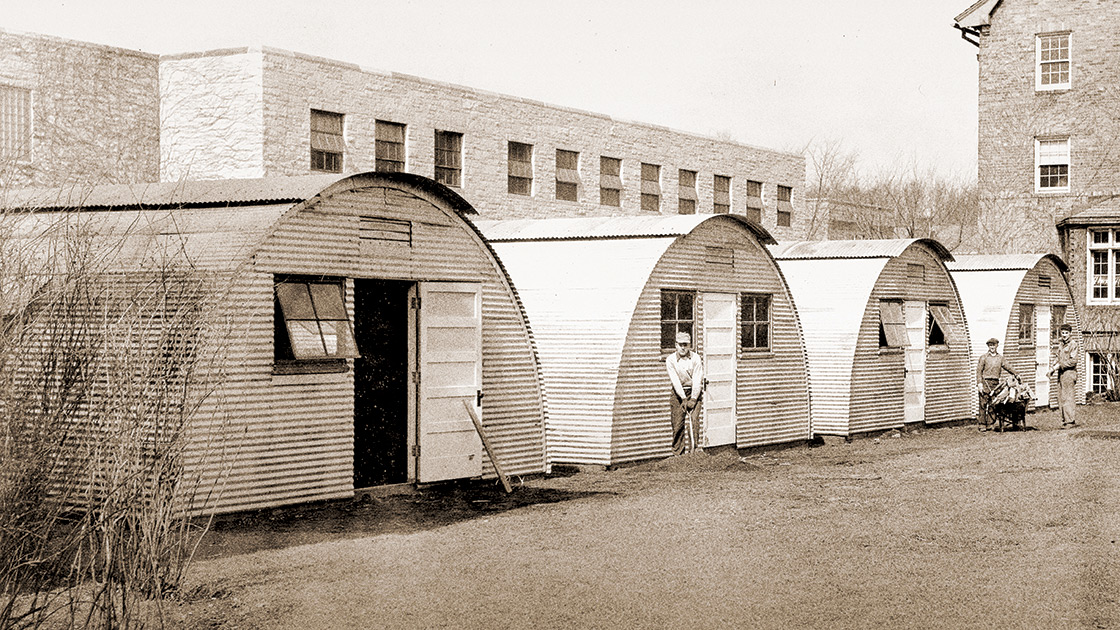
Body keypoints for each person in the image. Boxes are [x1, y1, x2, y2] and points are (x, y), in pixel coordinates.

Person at [666, 331, 704, 455]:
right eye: (680, 344)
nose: (683, 348)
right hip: (678, 394)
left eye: (685, 345)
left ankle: (694, 452)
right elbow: (675, 381)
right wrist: (683, 398)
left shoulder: (695, 358)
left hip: (694, 392)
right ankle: (678, 454)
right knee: (678, 424)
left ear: (689, 345)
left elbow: (698, 379)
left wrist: (693, 399)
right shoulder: (670, 360)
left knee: (693, 422)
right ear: (675, 345)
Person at [976, 337, 1017, 431]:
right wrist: (979, 384)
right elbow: (979, 371)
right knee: (983, 404)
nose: (992, 347)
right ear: (988, 346)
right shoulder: (983, 358)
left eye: (993, 345)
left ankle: (990, 424)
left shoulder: (1000, 358)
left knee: (993, 404)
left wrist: (1016, 373)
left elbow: (1008, 367)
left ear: (997, 346)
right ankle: (982, 424)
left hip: (996, 384)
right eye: (990, 345)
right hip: (985, 382)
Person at [1049, 323, 1079, 428]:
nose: (1064, 335)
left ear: (1070, 333)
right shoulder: (1061, 344)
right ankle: (1065, 420)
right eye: (1063, 333)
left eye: (1066, 333)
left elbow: (1073, 361)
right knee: (1061, 397)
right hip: (1061, 373)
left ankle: (1070, 421)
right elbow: (1058, 356)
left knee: (1068, 397)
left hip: (1069, 373)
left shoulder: (1073, 344)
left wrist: (1058, 366)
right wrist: (1053, 365)